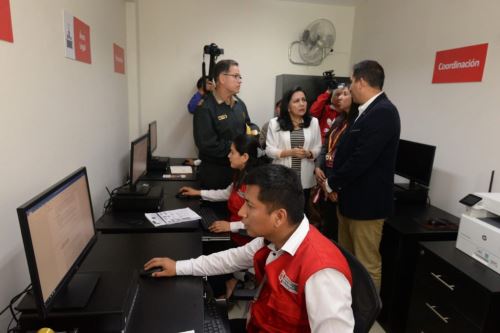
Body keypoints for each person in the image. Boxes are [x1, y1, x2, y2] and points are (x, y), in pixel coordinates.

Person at [144, 164, 354, 332]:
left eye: (250, 206)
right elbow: (231, 258)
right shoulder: (275, 237)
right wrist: (178, 267)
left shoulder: (322, 273)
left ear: (279, 217)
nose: (242, 212)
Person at [322, 60, 401, 291]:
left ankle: (367, 315)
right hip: (350, 201)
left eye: (352, 82)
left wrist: (332, 183)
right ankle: (350, 305)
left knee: (366, 264)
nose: (350, 88)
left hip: (367, 205)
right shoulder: (363, 112)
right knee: (348, 260)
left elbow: (362, 159)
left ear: (362, 81)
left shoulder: (384, 112)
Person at [178, 134, 264, 246]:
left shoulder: (256, 184)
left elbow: (259, 221)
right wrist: (198, 193)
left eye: (232, 152)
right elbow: (226, 193)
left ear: (245, 157)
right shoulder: (241, 174)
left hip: (247, 243)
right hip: (234, 234)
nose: (228, 156)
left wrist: (230, 226)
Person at [193, 59, 253, 190]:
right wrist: (237, 148)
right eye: (235, 76)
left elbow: (248, 124)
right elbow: (207, 144)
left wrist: (254, 131)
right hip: (216, 175)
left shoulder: (239, 103)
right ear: (222, 78)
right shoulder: (205, 108)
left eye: (240, 77)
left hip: (238, 172)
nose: (240, 80)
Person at [265, 87, 322, 212]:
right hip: (282, 177)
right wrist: (289, 152)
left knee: (301, 212)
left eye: (304, 100)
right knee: (283, 212)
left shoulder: (313, 122)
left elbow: (318, 147)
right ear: (288, 106)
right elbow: (269, 150)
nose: (302, 104)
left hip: (305, 179)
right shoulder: (275, 123)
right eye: (296, 101)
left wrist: (309, 153)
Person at [314, 84, 359, 241]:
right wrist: (319, 166)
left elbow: (351, 159)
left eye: (345, 94)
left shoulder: (357, 122)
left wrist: (334, 185)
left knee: (340, 236)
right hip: (327, 180)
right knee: (328, 230)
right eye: (338, 94)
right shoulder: (339, 120)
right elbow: (326, 146)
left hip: (340, 186)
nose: (339, 97)